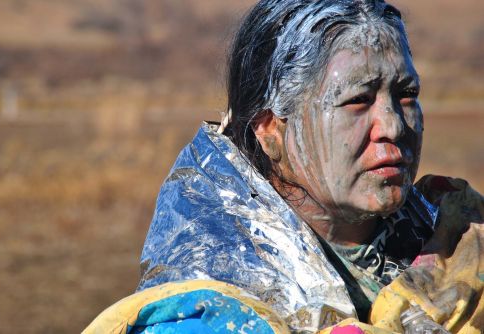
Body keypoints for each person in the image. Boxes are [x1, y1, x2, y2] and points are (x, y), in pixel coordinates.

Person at [84, 0, 483, 333]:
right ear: (271, 130)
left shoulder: (462, 244)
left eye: (407, 93)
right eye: (358, 100)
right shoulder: (205, 314)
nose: (394, 126)